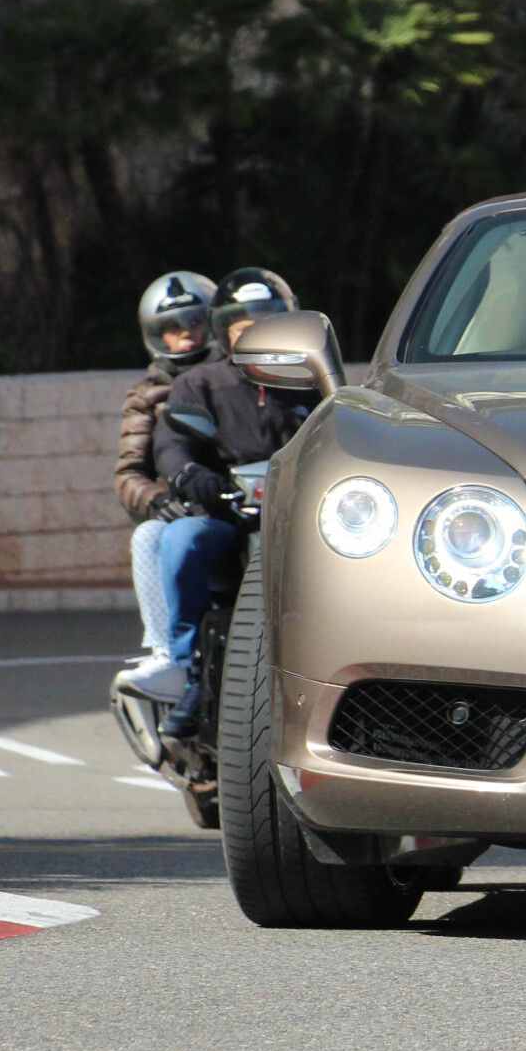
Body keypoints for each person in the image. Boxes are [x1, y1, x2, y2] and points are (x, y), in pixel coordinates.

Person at [129, 269, 309, 736]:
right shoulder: (199, 383)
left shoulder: (309, 381)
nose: (254, 329)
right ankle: (185, 670)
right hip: (227, 517)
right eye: (241, 322)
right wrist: (191, 475)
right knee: (179, 538)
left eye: (267, 319)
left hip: (299, 522)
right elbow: (171, 443)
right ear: (223, 328)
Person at [114, 271, 215, 671]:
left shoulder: (234, 376)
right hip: (181, 509)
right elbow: (127, 474)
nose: (185, 334)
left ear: (212, 323)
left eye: (194, 322)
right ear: (157, 335)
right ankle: (164, 655)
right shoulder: (145, 395)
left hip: (239, 499)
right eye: (172, 327)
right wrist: (157, 502)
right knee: (147, 537)